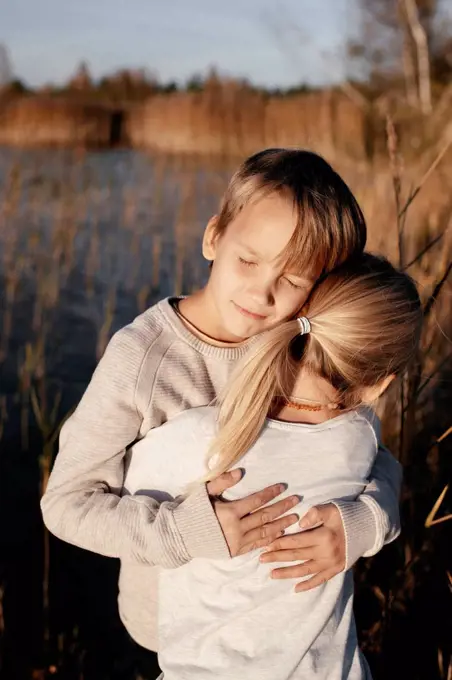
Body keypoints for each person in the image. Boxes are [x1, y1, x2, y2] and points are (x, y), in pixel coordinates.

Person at [41, 149, 402, 666]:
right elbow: (66, 504)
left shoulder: (304, 348)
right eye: (248, 261)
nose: (262, 292)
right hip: (172, 633)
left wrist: (364, 523)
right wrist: (184, 531)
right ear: (214, 237)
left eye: (295, 280)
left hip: (282, 633)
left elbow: (373, 456)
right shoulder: (143, 359)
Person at [124, 253, 422, 679]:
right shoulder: (360, 438)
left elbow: (123, 491)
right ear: (379, 385)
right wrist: (374, 519)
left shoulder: (203, 439)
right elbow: (387, 466)